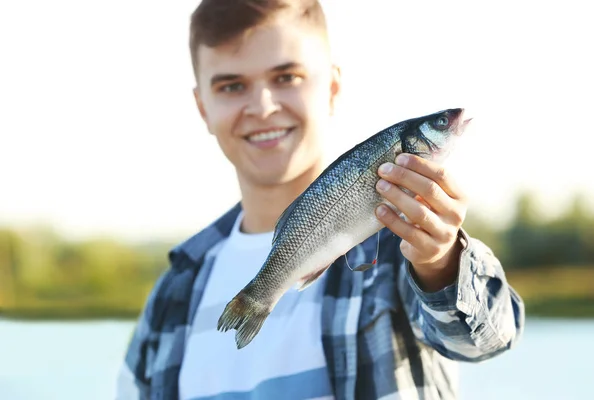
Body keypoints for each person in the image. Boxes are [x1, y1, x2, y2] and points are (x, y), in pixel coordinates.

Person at [116, 0, 525, 399]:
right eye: (232, 85)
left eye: (287, 77)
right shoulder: (176, 289)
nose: (262, 107)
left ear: (331, 87)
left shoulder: (401, 242)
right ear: (202, 107)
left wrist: (440, 261)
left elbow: (486, 340)